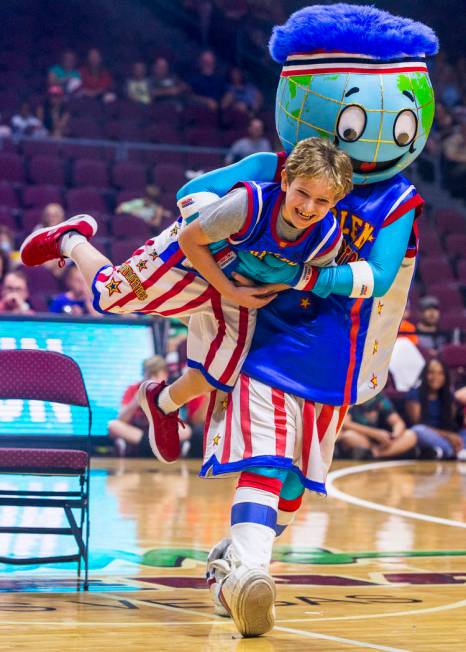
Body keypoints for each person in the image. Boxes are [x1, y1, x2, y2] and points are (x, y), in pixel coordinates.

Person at [173, 4, 437, 637]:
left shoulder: (398, 199)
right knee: (264, 459)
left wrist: (297, 274)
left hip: (336, 352)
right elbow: (194, 198)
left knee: (294, 481)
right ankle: (251, 575)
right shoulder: (278, 172)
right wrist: (235, 228)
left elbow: (373, 276)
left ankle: (234, 564)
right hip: (266, 338)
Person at [19, 137, 352, 465]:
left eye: (321, 201)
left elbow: (297, 280)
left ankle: (161, 402)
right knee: (110, 298)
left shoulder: (325, 242)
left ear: (334, 202)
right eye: (302, 193)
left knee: (221, 372)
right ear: (285, 181)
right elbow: (191, 239)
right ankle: (70, 239)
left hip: (240, 282)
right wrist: (228, 289)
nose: (308, 207)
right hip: (194, 254)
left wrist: (256, 285)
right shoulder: (248, 205)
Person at [108, 355, 191, 457]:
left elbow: (176, 423)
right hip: (139, 434)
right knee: (113, 425)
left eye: (156, 375)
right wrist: (136, 400)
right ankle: (151, 446)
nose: (152, 380)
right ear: (143, 375)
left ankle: (154, 445)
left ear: (165, 375)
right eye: (148, 375)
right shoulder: (133, 389)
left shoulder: (169, 391)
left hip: (161, 435)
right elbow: (121, 419)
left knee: (186, 431)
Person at [405, 359, 464, 459]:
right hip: (425, 437)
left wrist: (452, 436)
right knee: (418, 430)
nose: (436, 377)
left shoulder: (449, 397)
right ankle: (452, 452)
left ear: (445, 377)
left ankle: (443, 452)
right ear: (424, 374)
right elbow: (417, 424)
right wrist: (448, 436)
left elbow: (451, 424)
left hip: (446, 439)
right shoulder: (414, 394)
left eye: (440, 373)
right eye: (431, 372)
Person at [338, 393, 417, 459]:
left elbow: (398, 423)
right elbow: (345, 423)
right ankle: (387, 453)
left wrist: (393, 436)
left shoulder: (380, 399)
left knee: (411, 435)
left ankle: (375, 454)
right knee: (348, 436)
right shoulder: (350, 398)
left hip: (384, 441)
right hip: (363, 438)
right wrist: (374, 433)